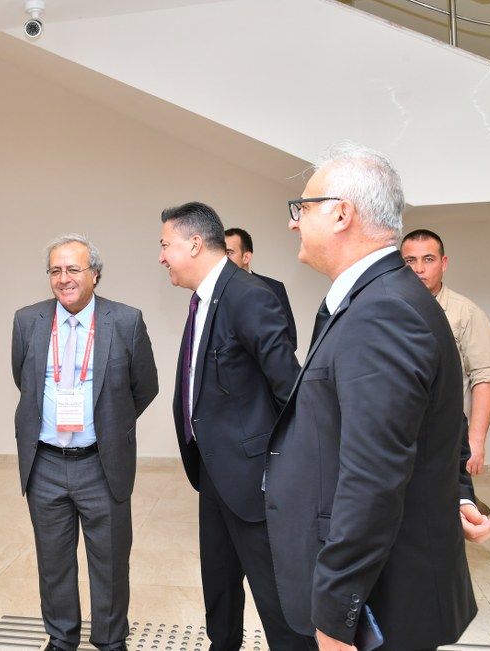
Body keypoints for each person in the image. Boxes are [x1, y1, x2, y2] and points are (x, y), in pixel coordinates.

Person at [265, 142, 476, 651]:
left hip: (380, 603)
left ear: (342, 214)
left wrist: (336, 615)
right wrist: (458, 492)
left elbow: (373, 478)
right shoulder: (381, 298)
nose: (293, 222)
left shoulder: (382, 312)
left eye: (302, 207)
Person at [158, 205, 305, 651]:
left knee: (277, 601)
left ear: (194, 244)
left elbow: (290, 392)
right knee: (219, 587)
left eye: (165, 245)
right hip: (214, 471)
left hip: (253, 479)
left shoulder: (248, 295)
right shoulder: (204, 297)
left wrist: (281, 475)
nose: (161, 257)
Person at [12, 233, 158, 651]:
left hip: (101, 462)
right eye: (55, 270)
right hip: (45, 463)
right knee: (53, 560)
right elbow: (23, 380)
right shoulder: (27, 320)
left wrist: (110, 426)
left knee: (110, 560)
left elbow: (145, 387)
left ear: (95, 274)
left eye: (73, 269)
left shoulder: (126, 320)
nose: (64, 278)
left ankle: (111, 640)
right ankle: (61, 638)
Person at [401, 228, 490, 517]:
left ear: (443, 263)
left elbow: (485, 377)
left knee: (446, 517)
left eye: (428, 259)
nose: (419, 269)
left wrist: (476, 441)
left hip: (447, 436)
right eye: (410, 261)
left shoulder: (466, 313)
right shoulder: (389, 308)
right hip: (400, 431)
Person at [224, 226, 298, 349]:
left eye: (228, 253)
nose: (223, 259)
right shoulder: (213, 292)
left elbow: (290, 340)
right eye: (220, 253)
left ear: (246, 257)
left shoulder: (274, 288)